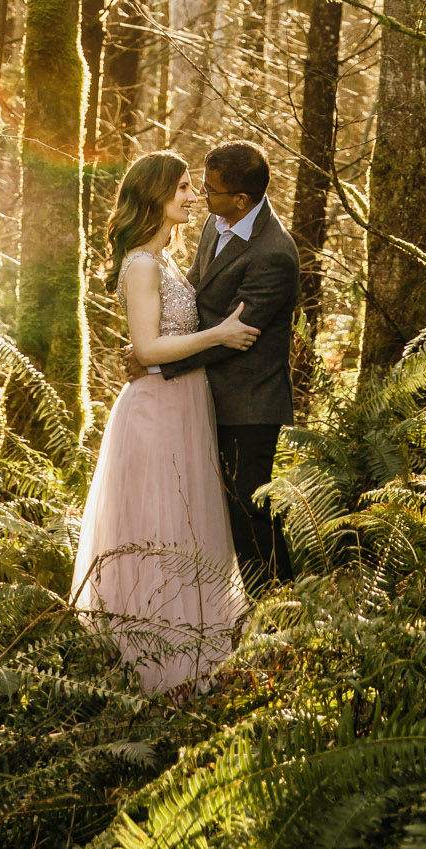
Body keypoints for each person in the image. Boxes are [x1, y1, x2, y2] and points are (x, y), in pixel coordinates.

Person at [73, 150, 255, 694]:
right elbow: (147, 345)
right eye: (181, 188)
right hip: (156, 409)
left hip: (185, 402)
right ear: (155, 195)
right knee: (159, 525)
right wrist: (219, 335)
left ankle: (199, 656)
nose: (192, 197)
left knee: (189, 522)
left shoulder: (167, 260)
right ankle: (157, 669)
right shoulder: (142, 264)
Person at [150, 140, 299, 587]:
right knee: (211, 510)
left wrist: (158, 364)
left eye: (211, 190)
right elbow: (199, 288)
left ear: (241, 199)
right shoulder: (220, 222)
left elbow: (236, 337)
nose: (201, 197)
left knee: (249, 515)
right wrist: (159, 340)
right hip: (204, 390)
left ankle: (280, 612)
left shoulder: (274, 253)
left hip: (250, 406)